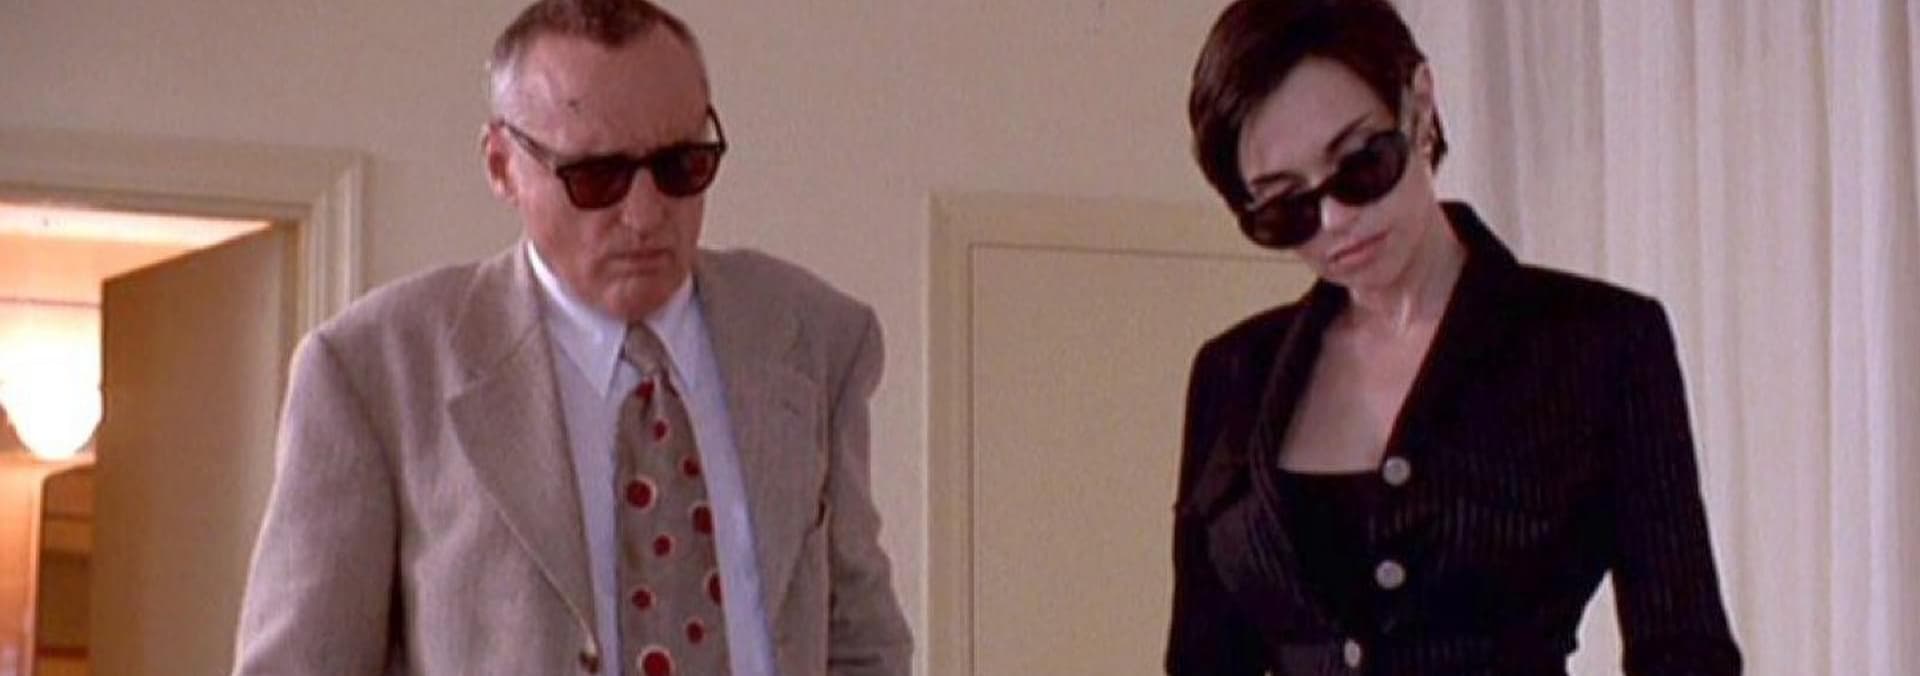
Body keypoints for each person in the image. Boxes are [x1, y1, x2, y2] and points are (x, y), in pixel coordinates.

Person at [231, 1, 912, 674]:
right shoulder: (376, 370)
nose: (644, 214)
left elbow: (862, 637)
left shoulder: (814, 337)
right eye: (597, 178)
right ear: (502, 165)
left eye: (681, 167)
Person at [1166, 1, 1743, 674]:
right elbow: (1204, 661)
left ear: (1419, 103)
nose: (1334, 220)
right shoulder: (1234, 374)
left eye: (1361, 163)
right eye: (1285, 207)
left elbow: (1684, 650)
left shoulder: (1600, 345)